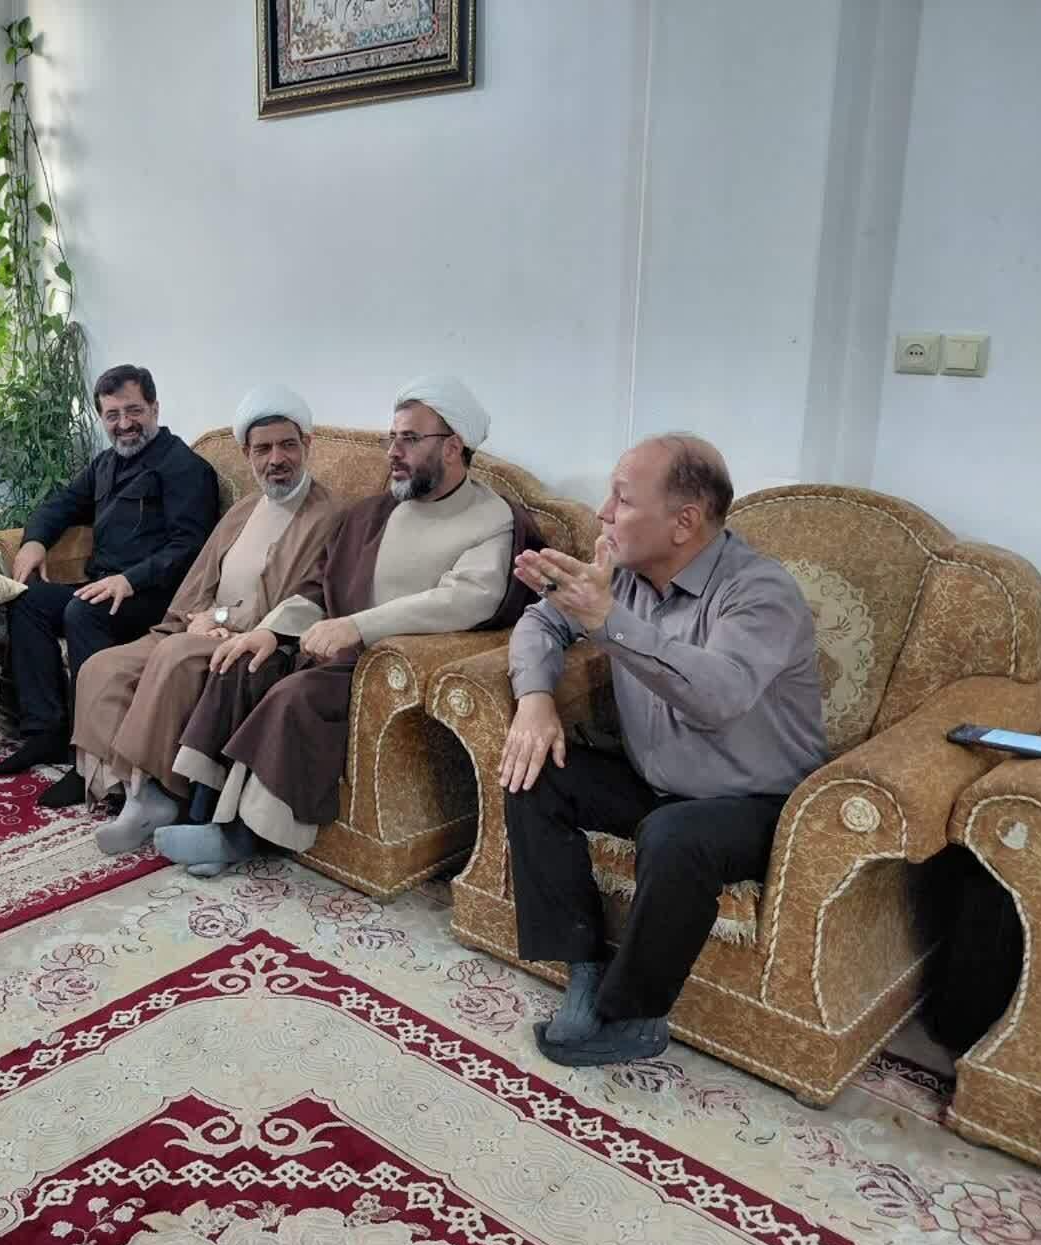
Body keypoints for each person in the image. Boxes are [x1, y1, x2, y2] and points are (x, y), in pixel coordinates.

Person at [501, 434, 827, 1067]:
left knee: (675, 836)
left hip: (754, 802)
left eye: (622, 500)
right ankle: (583, 966)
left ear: (684, 522)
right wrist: (535, 698)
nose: (602, 513)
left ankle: (636, 1016)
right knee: (535, 774)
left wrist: (606, 620)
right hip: (654, 783)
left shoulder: (759, 592)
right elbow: (540, 621)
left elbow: (718, 695)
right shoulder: (624, 575)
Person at [155, 376, 540, 873]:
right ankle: (203, 809)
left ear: (453, 446)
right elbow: (321, 584)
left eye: (409, 439)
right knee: (245, 662)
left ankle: (241, 837)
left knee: (296, 697)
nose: (393, 452)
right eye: (392, 438)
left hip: (395, 667)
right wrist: (271, 630)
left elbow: (463, 601)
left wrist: (357, 625)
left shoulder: (494, 520)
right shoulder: (375, 513)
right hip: (337, 648)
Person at [58, 384, 345, 827]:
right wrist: (195, 619)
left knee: (175, 656)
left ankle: (156, 791)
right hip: (200, 627)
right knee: (102, 667)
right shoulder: (244, 508)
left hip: (251, 640)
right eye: (263, 449)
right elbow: (200, 576)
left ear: (307, 445)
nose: (276, 459)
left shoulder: (329, 515)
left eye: (288, 445)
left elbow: (305, 597)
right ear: (247, 454)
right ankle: (124, 788)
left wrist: (220, 621)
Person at [0, 364, 221, 778]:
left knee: (83, 611)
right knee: (28, 598)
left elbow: (190, 547)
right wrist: (34, 541)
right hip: (104, 585)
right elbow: (60, 504)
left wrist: (131, 580)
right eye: (112, 415)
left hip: (157, 595)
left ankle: (89, 756)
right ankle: (46, 731)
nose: (124, 424)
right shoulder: (105, 464)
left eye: (134, 411)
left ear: (155, 408)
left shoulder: (184, 467)